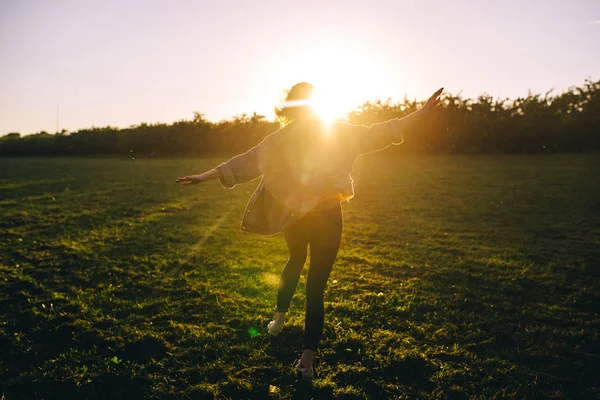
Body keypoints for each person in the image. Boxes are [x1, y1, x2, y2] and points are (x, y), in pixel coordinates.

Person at [176, 82, 442, 380]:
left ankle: (288, 334)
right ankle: (299, 348)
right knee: (311, 280)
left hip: (309, 216)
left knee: (303, 270)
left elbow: (378, 131)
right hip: (317, 216)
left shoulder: (310, 135)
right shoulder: (319, 134)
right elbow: (247, 161)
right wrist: (205, 176)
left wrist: (204, 176)